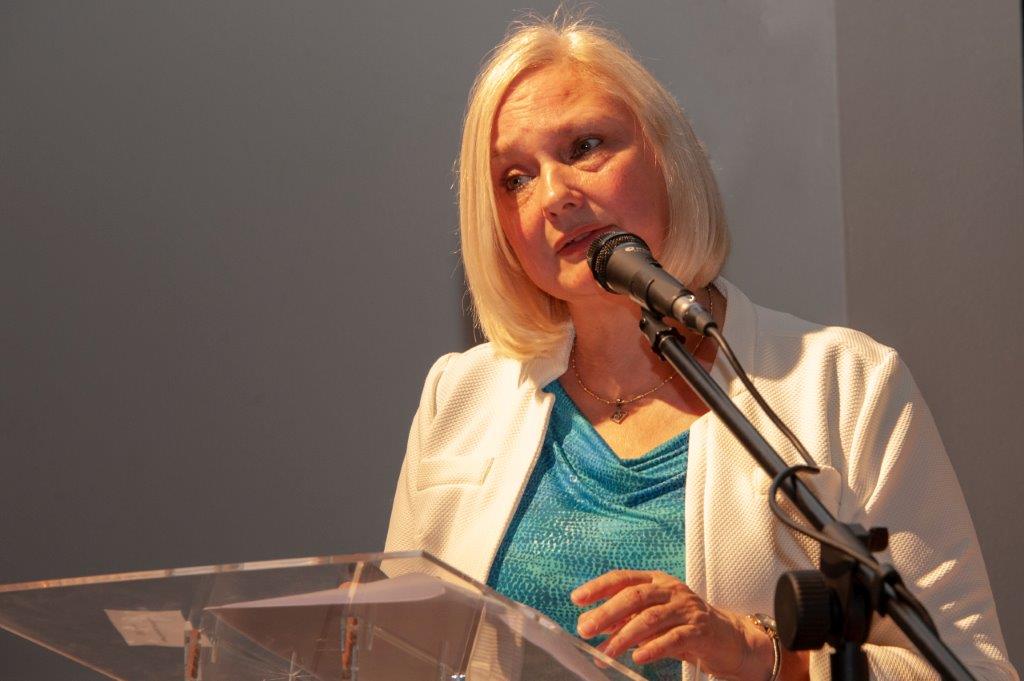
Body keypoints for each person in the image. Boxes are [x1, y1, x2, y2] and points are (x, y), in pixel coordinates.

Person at [384, 15, 1017, 681]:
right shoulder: (459, 396)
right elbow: (389, 652)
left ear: (667, 158)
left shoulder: (846, 384)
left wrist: (756, 653)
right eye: (515, 178)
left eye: (585, 146)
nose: (553, 196)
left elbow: (973, 669)